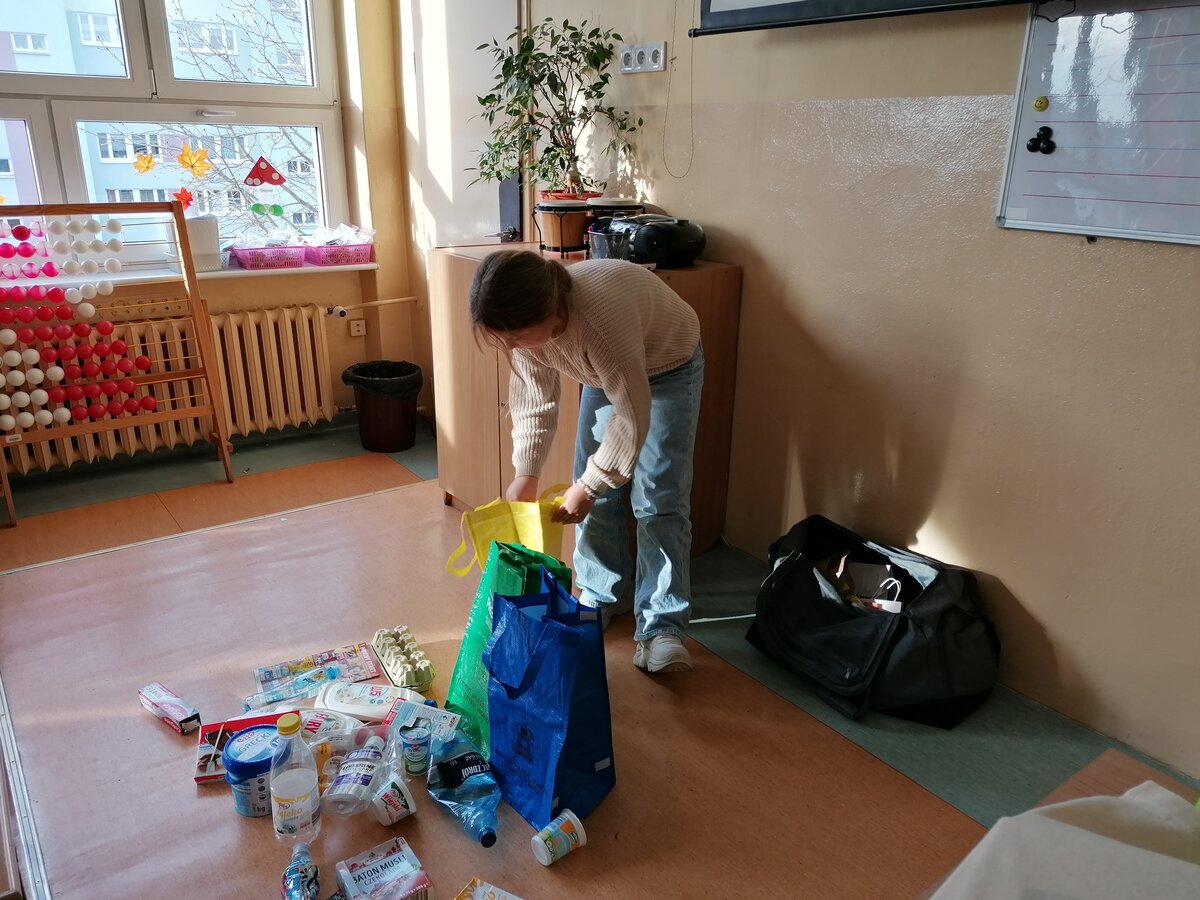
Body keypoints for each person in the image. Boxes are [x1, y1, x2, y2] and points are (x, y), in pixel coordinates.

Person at [469, 249, 704, 674]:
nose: (512, 346)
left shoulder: (599, 324)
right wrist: (527, 472)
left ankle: (661, 627)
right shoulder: (527, 332)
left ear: (548, 311)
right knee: (591, 491)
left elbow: (632, 416)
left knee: (659, 498)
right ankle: (601, 593)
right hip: (604, 369)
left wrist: (590, 486)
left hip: (668, 363)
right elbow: (535, 402)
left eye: (516, 336)